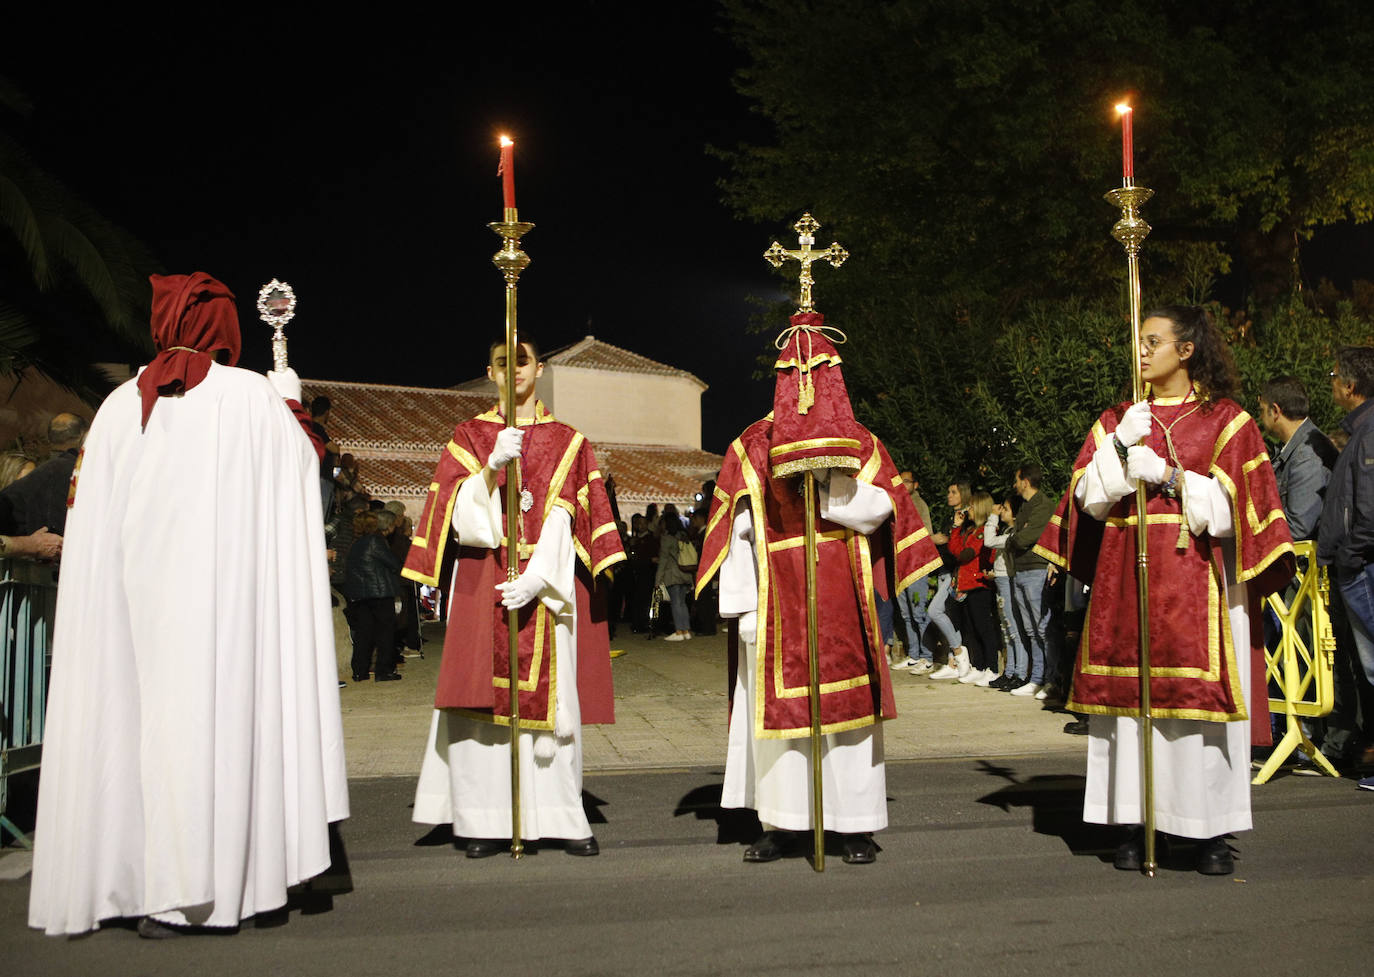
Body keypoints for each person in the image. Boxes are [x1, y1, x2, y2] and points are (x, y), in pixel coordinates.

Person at [27, 272, 348, 936]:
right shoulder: (250, 396)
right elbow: (298, 484)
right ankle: (207, 887)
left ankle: (140, 880)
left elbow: (90, 518)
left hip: (134, 611)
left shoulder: (119, 404)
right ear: (224, 325)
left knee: (140, 730)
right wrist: (293, 411)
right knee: (217, 732)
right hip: (226, 610)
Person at [1036, 305, 1293, 875]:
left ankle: (1209, 832)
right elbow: (1087, 503)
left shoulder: (1227, 421)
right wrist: (1119, 454)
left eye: (1154, 341)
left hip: (1199, 585)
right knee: (1129, 711)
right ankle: (1134, 821)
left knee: (1197, 715)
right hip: (1125, 583)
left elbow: (1241, 512)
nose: (1142, 351)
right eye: (1139, 341)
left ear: (1187, 349)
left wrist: (1171, 477)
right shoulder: (1116, 419)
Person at [695, 314, 940, 865]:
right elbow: (736, 532)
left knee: (847, 715)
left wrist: (834, 490)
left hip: (842, 593)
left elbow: (885, 510)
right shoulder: (753, 445)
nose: (807, 379)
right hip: (776, 600)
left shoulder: (859, 442)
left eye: (818, 367)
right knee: (783, 723)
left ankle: (853, 825)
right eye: (796, 368)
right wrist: (744, 608)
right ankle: (783, 823)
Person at [405, 337, 625, 856]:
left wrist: (540, 575)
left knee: (554, 701)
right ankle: (483, 822)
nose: (513, 370)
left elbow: (570, 514)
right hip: (484, 575)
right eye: (502, 362)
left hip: (547, 586)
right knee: (480, 698)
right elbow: (460, 520)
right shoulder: (470, 435)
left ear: (539, 369)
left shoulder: (569, 440)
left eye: (521, 360)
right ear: (490, 372)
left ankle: (559, 818)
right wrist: (487, 471)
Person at [1316, 346, 1374, 792]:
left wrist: (1352, 555)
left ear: (1350, 386)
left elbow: (1369, 509)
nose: (1331, 381)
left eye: (1334, 375)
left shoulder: (1369, 431)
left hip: (1364, 568)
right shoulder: (1361, 431)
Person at [1006, 463, 1055, 698]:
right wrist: (1016, 536)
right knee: (1030, 630)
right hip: (1020, 570)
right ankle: (1036, 678)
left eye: (1016, 480)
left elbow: (1025, 537)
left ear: (1025, 481)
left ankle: (1052, 680)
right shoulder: (1025, 506)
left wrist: (1015, 537)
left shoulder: (1043, 505)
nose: (1014, 485)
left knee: (1042, 628)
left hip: (1036, 570)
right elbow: (1018, 536)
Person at [344, 508, 403, 682]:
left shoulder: (356, 543)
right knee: (385, 633)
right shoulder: (375, 541)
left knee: (364, 634)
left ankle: (359, 671)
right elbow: (392, 562)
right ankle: (383, 670)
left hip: (360, 595)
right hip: (379, 592)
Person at [891, 471, 933, 672]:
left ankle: (927, 656)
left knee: (918, 612)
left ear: (915, 484)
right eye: (900, 480)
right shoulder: (897, 503)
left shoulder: (918, 504)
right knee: (906, 614)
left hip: (916, 566)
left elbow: (924, 535)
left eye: (906, 481)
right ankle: (914, 654)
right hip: (902, 566)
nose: (902, 484)